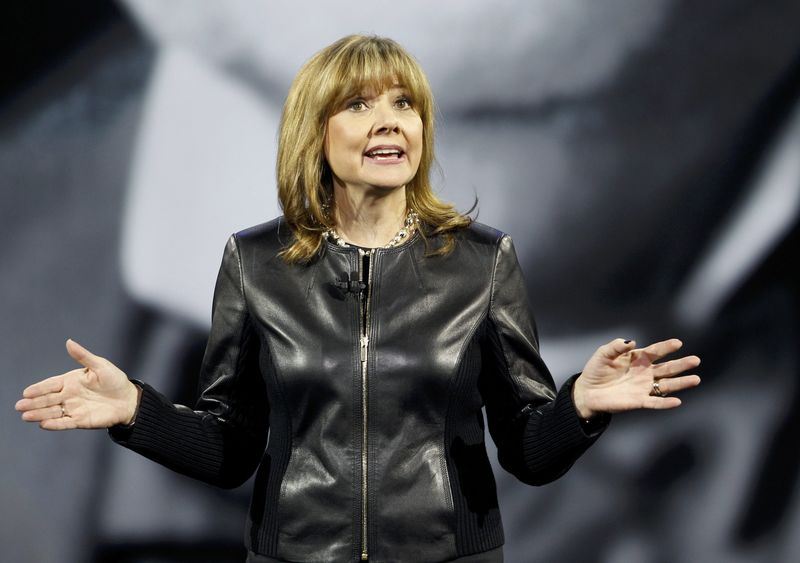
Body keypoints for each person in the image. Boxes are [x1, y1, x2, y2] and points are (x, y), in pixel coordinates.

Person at [15, 35, 701, 563]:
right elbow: (228, 450)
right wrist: (135, 409)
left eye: (405, 104)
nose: (390, 123)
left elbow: (524, 448)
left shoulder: (483, 261)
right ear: (314, 132)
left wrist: (581, 404)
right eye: (360, 104)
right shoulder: (253, 262)